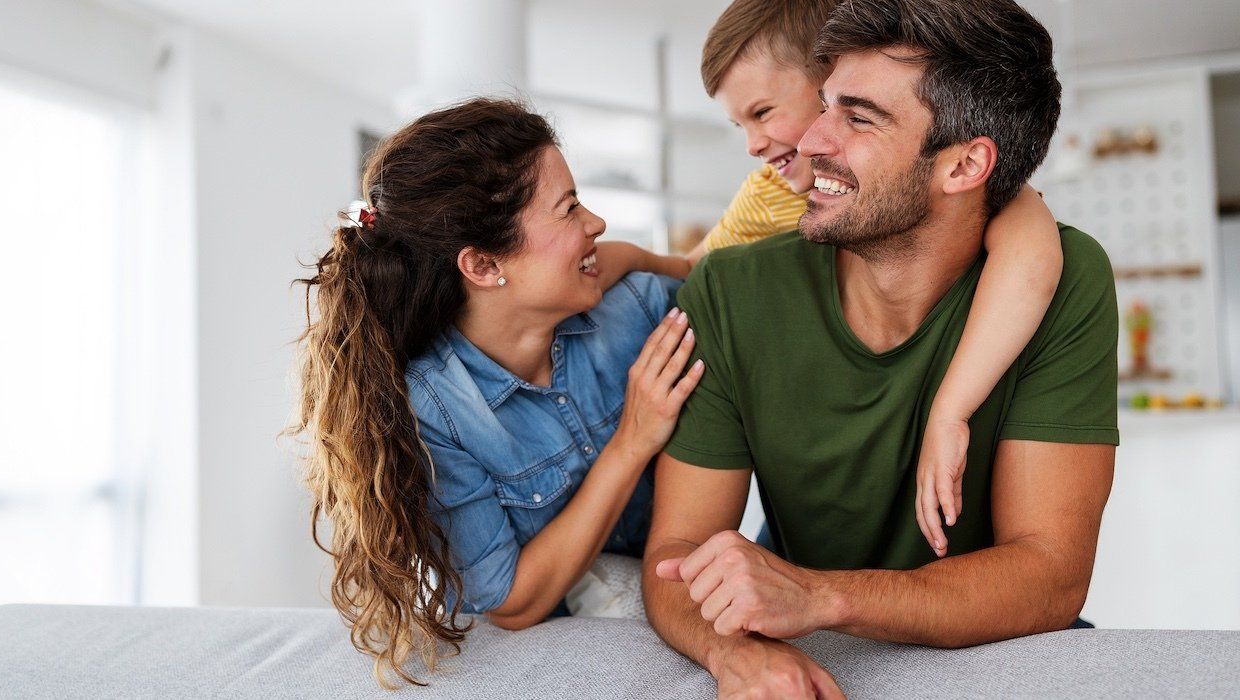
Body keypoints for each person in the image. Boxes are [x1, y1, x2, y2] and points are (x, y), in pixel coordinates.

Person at [641, 0, 1119, 696]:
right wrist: (734, 654)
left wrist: (821, 596)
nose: (811, 141)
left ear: (965, 165)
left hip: (993, 651)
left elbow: (1050, 577)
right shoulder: (729, 290)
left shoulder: (1063, 278)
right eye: (824, 105)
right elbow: (676, 553)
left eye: (859, 118)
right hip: (807, 638)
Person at [290, 98, 699, 687]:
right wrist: (632, 441)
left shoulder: (635, 304)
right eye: (569, 209)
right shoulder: (436, 410)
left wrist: (663, 263)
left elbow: (686, 277)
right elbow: (510, 600)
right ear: (483, 266)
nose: (596, 223)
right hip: (559, 661)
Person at [686, 0, 1066, 552]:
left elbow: (1030, 261)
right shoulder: (765, 195)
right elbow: (695, 263)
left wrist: (951, 411)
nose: (753, 144)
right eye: (740, 123)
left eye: (764, 113)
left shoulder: (987, 200)